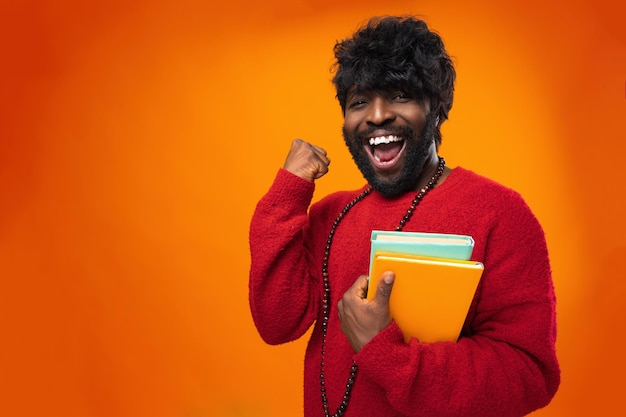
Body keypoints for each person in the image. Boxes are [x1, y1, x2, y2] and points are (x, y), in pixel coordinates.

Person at [248, 15, 560, 417]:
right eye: (359, 101)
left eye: (399, 95)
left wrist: (386, 352)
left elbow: (528, 375)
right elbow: (276, 324)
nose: (377, 116)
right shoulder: (330, 215)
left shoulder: (500, 213)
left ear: (437, 108)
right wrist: (287, 191)